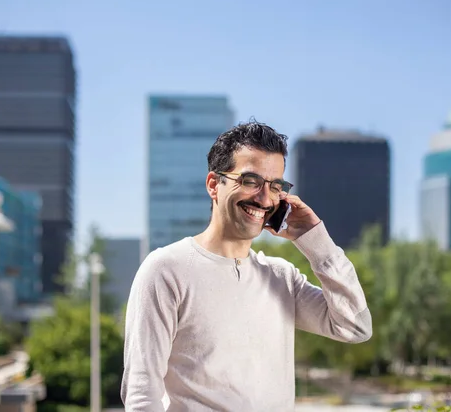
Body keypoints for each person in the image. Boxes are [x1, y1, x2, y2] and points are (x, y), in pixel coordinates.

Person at [122, 121, 372, 411]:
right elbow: (142, 396)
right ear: (214, 185)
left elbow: (355, 327)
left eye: (275, 186)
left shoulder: (282, 277)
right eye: (251, 181)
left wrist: (317, 241)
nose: (265, 198)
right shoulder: (166, 269)